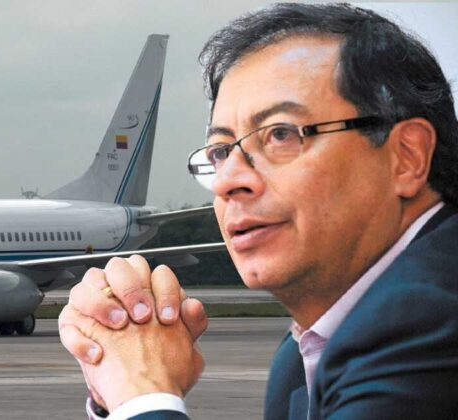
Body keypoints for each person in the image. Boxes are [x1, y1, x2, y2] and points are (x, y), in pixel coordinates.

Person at [58, 3, 458, 419]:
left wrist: (141, 393)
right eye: (220, 152)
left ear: (406, 156)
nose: (227, 181)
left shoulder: (429, 321)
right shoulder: (307, 351)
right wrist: (115, 381)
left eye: (280, 134)